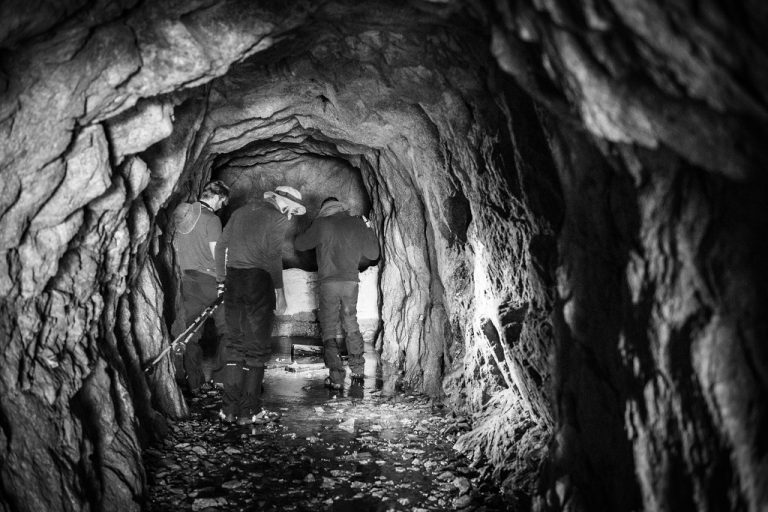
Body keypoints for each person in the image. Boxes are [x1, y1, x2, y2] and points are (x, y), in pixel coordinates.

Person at [215, 185, 306, 425]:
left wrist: (221, 280)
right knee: (256, 349)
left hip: (233, 280)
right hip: (258, 282)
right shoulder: (277, 218)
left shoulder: (240, 212)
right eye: (292, 209)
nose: (291, 214)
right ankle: (249, 411)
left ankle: (228, 410)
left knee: (235, 345)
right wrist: (280, 293)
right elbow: (273, 257)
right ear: (283, 203)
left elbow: (221, 246)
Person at [294, 197, 379, 390]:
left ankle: (336, 378)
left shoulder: (321, 224)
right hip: (350, 283)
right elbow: (373, 254)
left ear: (324, 209)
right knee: (351, 322)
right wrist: (368, 228)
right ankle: (357, 370)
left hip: (329, 284)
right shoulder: (356, 223)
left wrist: (312, 228)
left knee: (329, 328)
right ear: (341, 207)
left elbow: (299, 244)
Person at [171, 180, 230, 396]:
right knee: (228, 329)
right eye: (222, 202)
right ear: (217, 197)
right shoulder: (211, 219)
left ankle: (195, 384)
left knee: (191, 334)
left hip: (188, 280)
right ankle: (220, 380)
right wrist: (223, 281)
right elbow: (218, 254)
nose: (222, 206)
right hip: (211, 281)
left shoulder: (183, 218)